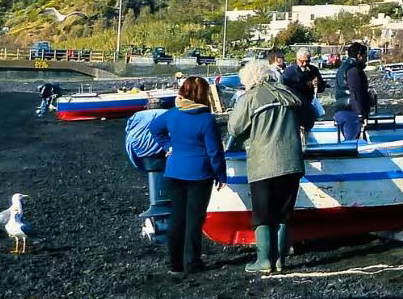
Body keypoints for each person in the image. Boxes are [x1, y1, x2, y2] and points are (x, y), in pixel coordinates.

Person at [225, 56, 314, 273]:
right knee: (284, 213)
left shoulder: (250, 98)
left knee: (263, 213)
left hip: (263, 164)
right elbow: (310, 117)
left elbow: (234, 129)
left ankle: (264, 261)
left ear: (248, 78)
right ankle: (280, 260)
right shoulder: (288, 94)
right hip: (291, 162)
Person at [160, 76, 227, 275]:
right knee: (194, 219)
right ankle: (192, 262)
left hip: (174, 171)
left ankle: (175, 263)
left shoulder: (172, 114)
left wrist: (167, 146)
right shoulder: (206, 119)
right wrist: (221, 175)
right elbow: (214, 151)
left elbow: (155, 129)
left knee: (177, 218)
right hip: (199, 173)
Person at [123, 95, 174, 241]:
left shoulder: (137, 116)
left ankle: (160, 212)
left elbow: (129, 129)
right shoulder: (166, 114)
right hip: (160, 153)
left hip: (139, 151)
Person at [340, 44, 375, 138]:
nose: (366, 59)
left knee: (351, 142)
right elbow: (355, 93)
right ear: (359, 56)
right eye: (365, 56)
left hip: (344, 109)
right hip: (351, 113)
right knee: (352, 144)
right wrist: (360, 115)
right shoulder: (354, 71)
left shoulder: (344, 68)